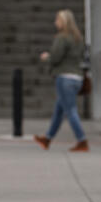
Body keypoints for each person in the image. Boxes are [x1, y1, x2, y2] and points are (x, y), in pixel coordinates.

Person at [33, 9, 88, 152]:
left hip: (65, 78)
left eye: (57, 20)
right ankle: (48, 138)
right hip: (77, 78)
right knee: (59, 110)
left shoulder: (62, 38)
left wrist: (47, 57)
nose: (55, 23)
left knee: (71, 110)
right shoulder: (78, 38)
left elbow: (56, 58)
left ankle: (82, 140)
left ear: (64, 22)